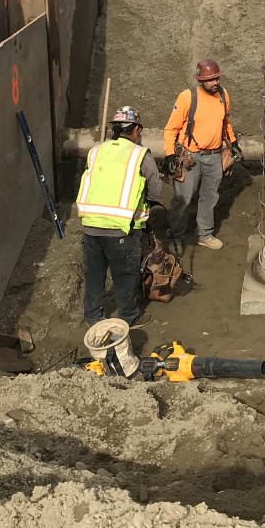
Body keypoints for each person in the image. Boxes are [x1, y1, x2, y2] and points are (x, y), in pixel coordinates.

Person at [76, 106, 163, 327]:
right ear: (135, 130)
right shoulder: (139, 155)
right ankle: (129, 318)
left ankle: (94, 318)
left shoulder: (96, 150)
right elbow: (156, 190)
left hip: (90, 225)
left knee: (94, 276)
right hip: (121, 228)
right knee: (125, 276)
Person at [163, 59, 238, 250]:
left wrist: (233, 142)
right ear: (201, 80)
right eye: (211, 80)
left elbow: (226, 122)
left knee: (209, 197)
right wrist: (170, 155)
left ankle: (204, 235)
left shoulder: (223, 95)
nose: (216, 83)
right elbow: (171, 129)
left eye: (217, 78)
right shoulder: (188, 97)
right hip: (190, 157)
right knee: (183, 198)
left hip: (214, 156)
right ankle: (175, 236)